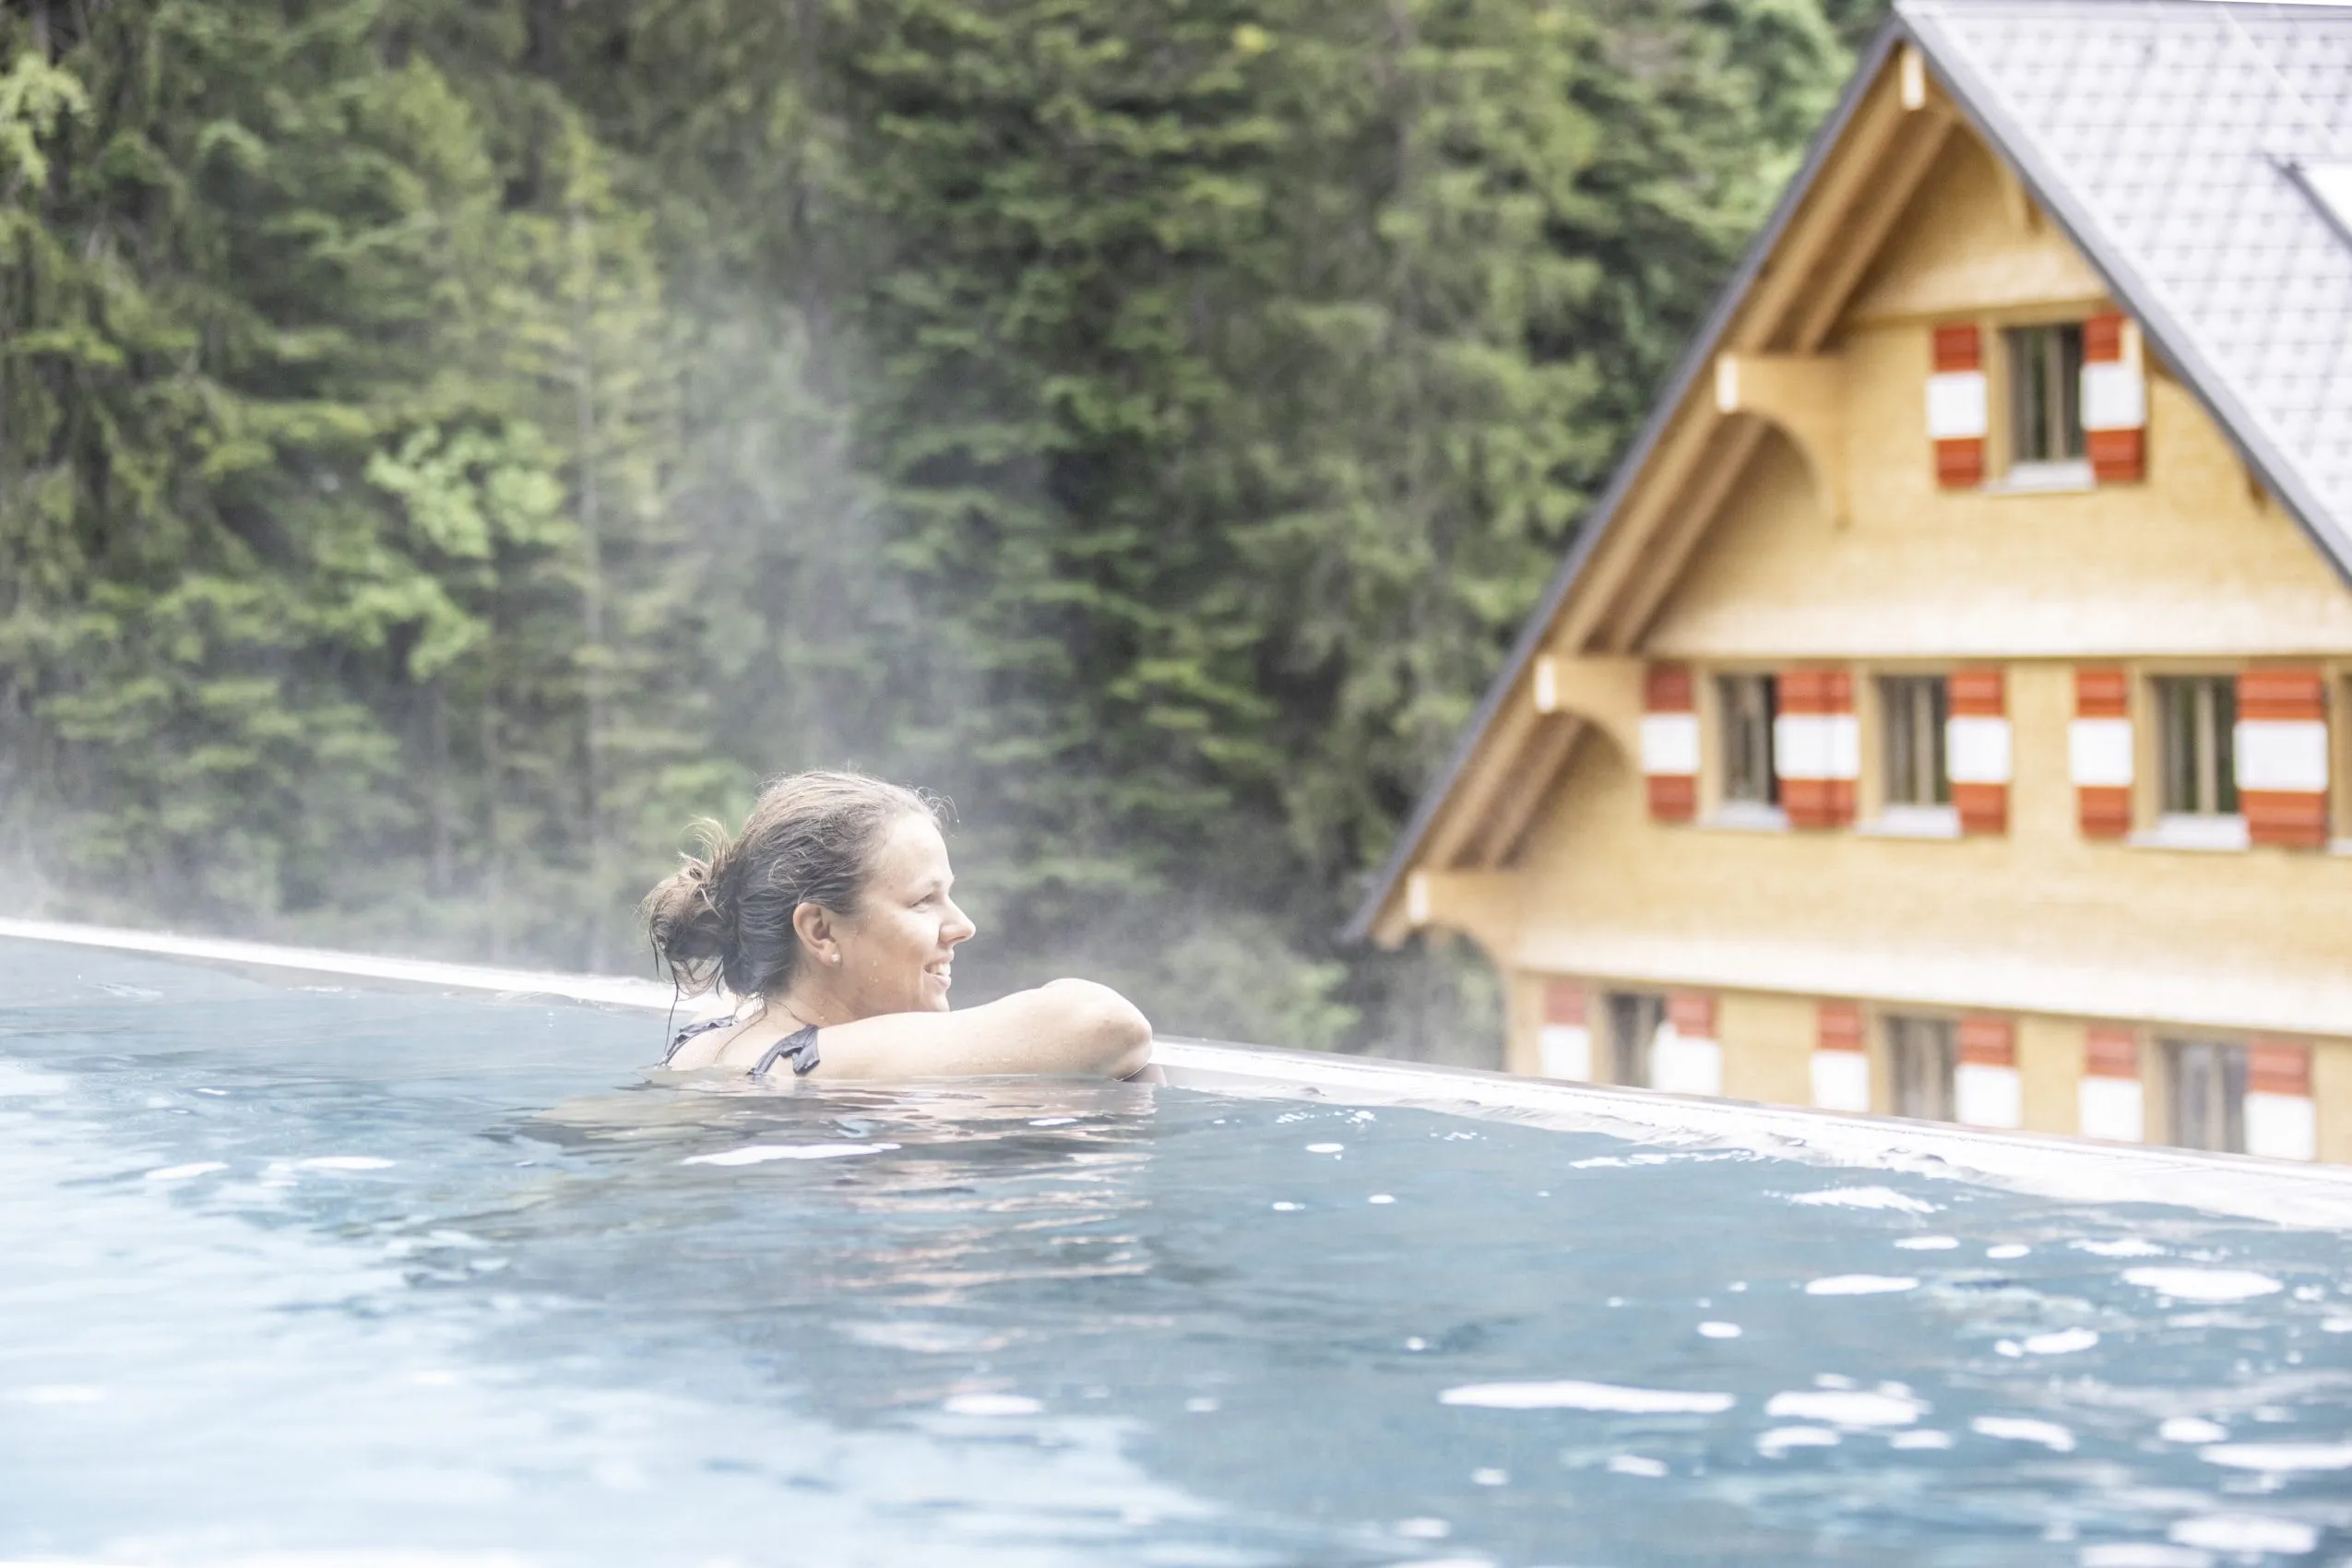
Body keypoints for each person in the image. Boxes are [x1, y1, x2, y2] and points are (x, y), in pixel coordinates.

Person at [642, 771, 1153, 1082]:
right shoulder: (820, 1062)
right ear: (820, 932)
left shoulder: (713, 1036)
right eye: (924, 901)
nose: (964, 926)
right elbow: (1107, 1024)